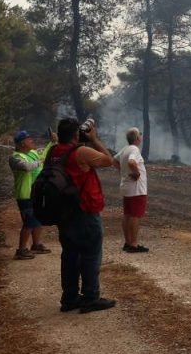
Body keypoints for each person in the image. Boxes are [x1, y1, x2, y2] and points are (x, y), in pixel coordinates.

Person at [48, 117, 118, 314]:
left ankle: (69, 298)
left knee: (69, 254)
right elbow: (109, 160)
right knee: (90, 253)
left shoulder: (53, 152)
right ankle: (90, 297)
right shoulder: (81, 152)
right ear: (76, 134)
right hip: (84, 210)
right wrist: (94, 139)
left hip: (64, 213)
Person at [8, 129, 57, 260]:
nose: (32, 141)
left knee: (38, 219)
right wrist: (39, 163)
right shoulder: (15, 157)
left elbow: (44, 155)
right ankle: (21, 249)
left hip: (36, 193)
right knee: (29, 222)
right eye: (29, 139)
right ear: (22, 143)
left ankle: (36, 244)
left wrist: (52, 143)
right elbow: (26, 167)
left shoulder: (32, 153)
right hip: (25, 194)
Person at [115, 127, 148, 253]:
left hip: (127, 187)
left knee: (127, 214)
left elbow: (114, 160)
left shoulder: (125, 149)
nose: (141, 136)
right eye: (140, 134)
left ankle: (128, 242)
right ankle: (134, 244)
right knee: (135, 215)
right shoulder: (134, 149)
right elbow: (132, 162)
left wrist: (123, 172)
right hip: (136, 189)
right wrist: (137, 173)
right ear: (137, 138)